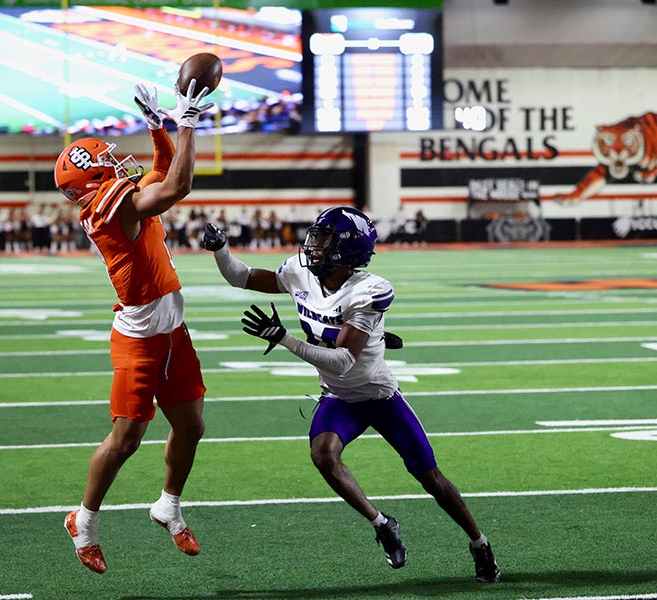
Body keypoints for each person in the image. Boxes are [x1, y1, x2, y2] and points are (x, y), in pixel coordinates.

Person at [199, 206, 501, 583]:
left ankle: (478, 541)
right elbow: (242, 277)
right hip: (338, 397)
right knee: (323, 454)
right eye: (317, 236)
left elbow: (342, 360)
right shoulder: (300, 273)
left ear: (348, 249)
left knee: (429, 476)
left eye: (324, 239)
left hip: (378, 397)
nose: (314, 245)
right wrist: (220, 249)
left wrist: (284, 338)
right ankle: (382, 524)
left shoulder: (367, 291)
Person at [54, 80, 214, 575]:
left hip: (172, 332)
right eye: (110, 163)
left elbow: (162, 171)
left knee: (191, 426)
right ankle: (83, 521)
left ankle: (168, 505)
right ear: (94, 181)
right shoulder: (107, 209)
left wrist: (157, 126)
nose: (122, 165)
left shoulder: (117, 195)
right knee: (127, 438)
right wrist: (187, 121)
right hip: (142, 339)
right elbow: (177, 185)